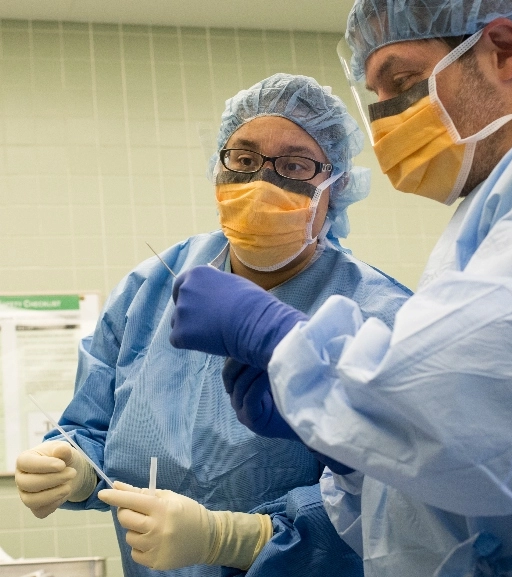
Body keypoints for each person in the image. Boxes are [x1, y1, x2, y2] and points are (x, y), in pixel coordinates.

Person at [166, 1, 512, 576]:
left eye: (403, 80)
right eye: (375, 94)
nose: (387, 116)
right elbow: (437, 492)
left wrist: (288, 344)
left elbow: (478, 424)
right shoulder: (499, 204)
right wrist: (353, 453)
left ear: (504, 49)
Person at [15, 73, 412, 577]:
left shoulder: (381, 314)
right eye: (243, 160)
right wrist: (72, 467)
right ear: (218, 168)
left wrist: (235, 540)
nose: (262, 182)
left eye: (294, 164)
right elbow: (95, 428)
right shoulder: (152, 289)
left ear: (337, 185)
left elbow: (397, 499)